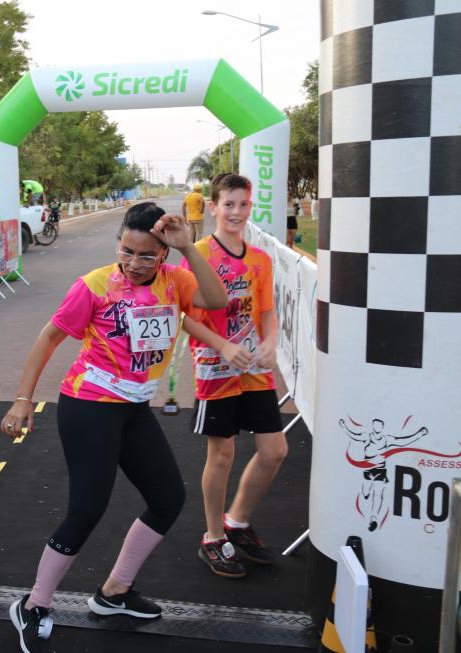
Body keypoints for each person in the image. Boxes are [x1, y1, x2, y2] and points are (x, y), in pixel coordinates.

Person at [2, 203, 228, 652]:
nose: (135, 263)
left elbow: (216, 300)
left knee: (168, 498)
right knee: (86, 509)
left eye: (147, 255)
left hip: (133, 407)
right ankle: (33, 605)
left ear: (163, 254)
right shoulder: (95, 284)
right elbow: (50, 336)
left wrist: (188, 249)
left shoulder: (175, 280)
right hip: (88, 405)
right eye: (127, 251)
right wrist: (23, 399)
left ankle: (114, 593)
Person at [179, 173, 287, 579]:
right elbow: (182, 315)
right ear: (213, 207)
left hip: (254, 367)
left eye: (243, 204)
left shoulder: (260, 259)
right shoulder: (197, 254)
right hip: (215, 367)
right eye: (229, 204)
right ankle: (213, 537)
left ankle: (237, 521)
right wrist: (222, 345)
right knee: (222, 454)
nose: (236, 212)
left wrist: (271, 342)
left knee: (274, 451)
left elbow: (267, 311)